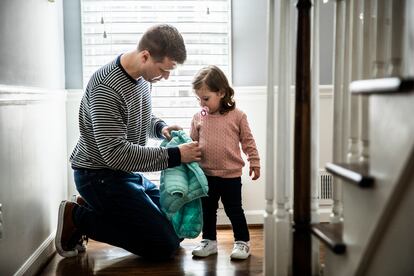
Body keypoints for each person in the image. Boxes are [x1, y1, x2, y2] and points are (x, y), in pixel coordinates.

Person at [55, 24, 202, 260]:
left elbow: (138, 117)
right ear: (145, 55)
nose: (166, 77)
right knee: (162, 245)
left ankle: (94, 206)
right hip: (98, 176)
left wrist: (159, 127)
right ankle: (77, 217)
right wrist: (176, 156)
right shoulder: (106, 87)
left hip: (124, 174)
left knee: (177, 223)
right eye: (164, 70)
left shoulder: (143, 79)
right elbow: (116, 153)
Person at [189, 65, 260, 260]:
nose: (202, 104)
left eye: (206, 99)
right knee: (208, 210)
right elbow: (192, 141)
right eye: (198, 99)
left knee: (234, 209)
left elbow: (248, 141)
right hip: (206, 175)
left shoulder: (237, 115)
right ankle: (209, 241)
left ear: (221, 92)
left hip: (230, 175)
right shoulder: (198, 117)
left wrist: (254, 161)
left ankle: (242, 242)